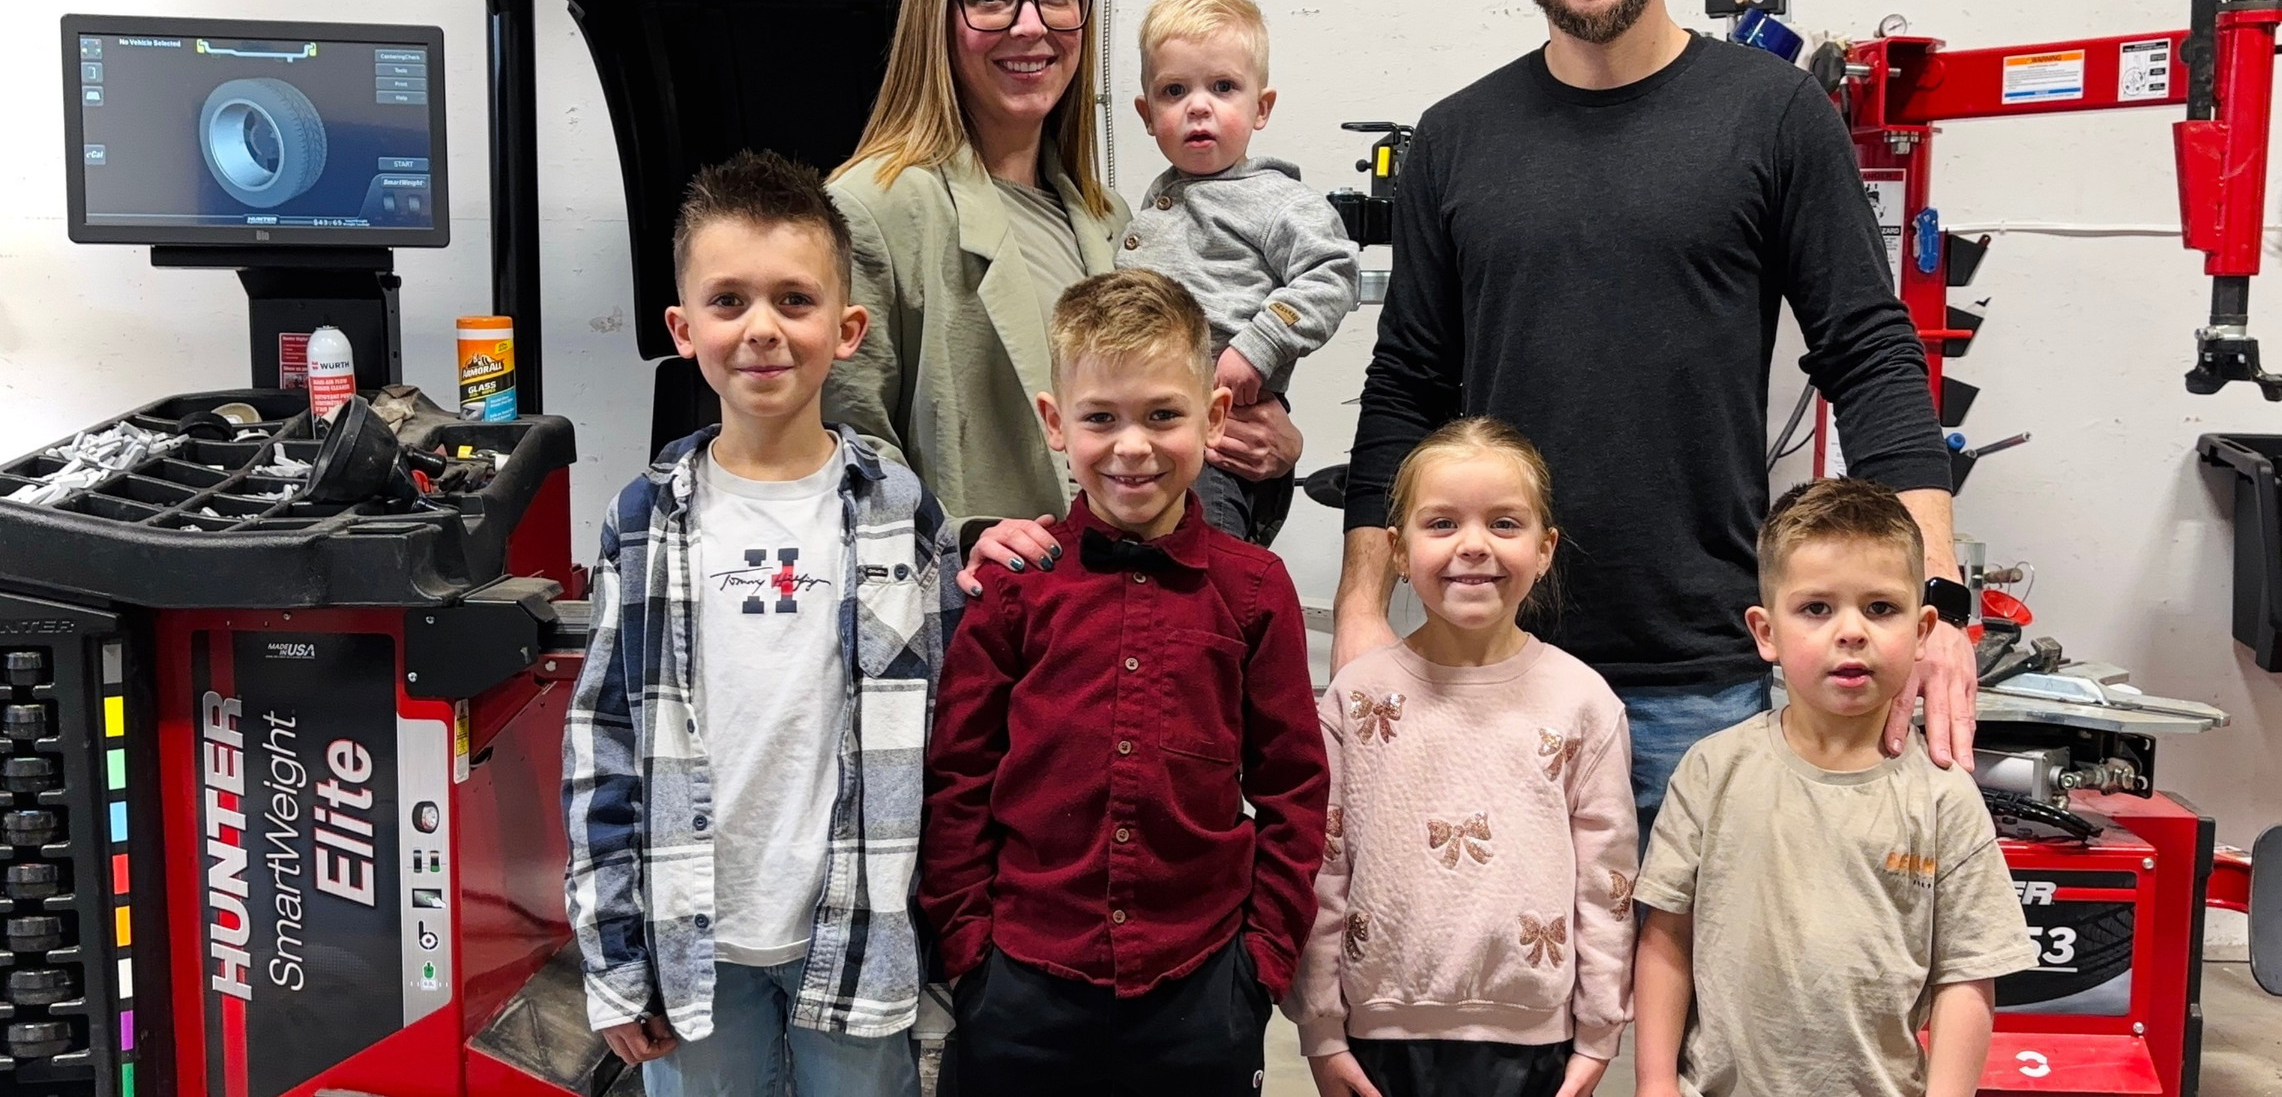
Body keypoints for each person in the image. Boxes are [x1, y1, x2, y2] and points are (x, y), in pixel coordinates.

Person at [1334, 0, 1974, 837]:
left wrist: (1939, 603)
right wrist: (1360, 613)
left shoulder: (1771, 116)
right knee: (1500, 1003)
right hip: (1489, 669)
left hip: (1704, 683)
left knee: (1714, 1005)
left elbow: (1867, 354)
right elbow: (1404, 383)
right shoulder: (1454, 138)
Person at [562, 150, 961, 1096]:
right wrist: (614, 960)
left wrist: (951, 939)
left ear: (848, 327)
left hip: (862, 944)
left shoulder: (903, 515)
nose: (762, 330)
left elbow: (954, 733)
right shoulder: (643, 520)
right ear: (683, 328)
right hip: (693, 952)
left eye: (794, 299)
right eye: (729, 300)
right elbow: (602, 747)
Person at [820, 0, 1305, 587]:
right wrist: (961, 539)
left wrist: (1260, 442)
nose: (1030, 25)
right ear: (936, 13)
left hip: (1119, 646)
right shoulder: (873, 208)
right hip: (978, 644)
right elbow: (836, 458)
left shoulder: (1117, 225)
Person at [919, 269, 1329, 1096]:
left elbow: (1294, 787)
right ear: (1055, 424)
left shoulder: (1255, 591)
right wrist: (970, 957)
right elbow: (957, 780)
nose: (1131, 447)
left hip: (1203, 985)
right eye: (1100, 418)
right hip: (1021, 986)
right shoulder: (1012, 587)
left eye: (1163, 415)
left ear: (1213, 418)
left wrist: (1262, 965)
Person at [1630, 478, 2032, 1097]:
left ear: (1924, 629)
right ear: (1766, 632)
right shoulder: (1713, 771)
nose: (1852, 632)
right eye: (1817, 608)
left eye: (1881, 608)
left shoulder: (1944, 797)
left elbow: (1968, 975)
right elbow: (1666, 938)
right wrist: (1655, 1082)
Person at [1287, 418, 1635, 1097]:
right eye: (1442, 523)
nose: (1473, 546)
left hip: (1535, 1041)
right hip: (1378, 1038)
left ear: (1544, 549)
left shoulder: (1582, 702)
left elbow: (1608, 878)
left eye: (1504, 524)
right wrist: (1321, 1029)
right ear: (1397, 548)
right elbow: (1322, 869)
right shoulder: (1358, 698)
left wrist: (1599, 1034)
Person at [1116, 0, 1360, 543]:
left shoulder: (1279, 200)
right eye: (1174, 91)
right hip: (1155, 429)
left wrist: (1257, 347)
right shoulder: (1154, 203)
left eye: (1223, 87)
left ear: (1262, 108)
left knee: (1204, 567)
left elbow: (1334, 271)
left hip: (1225, 445)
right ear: (1148, 114)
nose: (1198, 106)